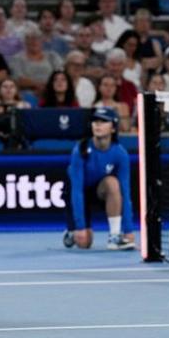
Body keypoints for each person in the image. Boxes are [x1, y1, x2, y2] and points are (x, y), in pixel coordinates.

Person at [62, 106, 135, 251]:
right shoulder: (80, 149)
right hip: (79, 193)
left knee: (112, 183)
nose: (97, 125)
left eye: (103, 121)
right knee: (84, 243)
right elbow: (76, 191)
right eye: (95, 121)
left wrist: (128, 230)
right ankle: (72, 233)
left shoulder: (120, 154)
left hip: (100, 193)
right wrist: (80, 227)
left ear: (113, 128)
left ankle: (114, 237)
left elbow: (125, 194)